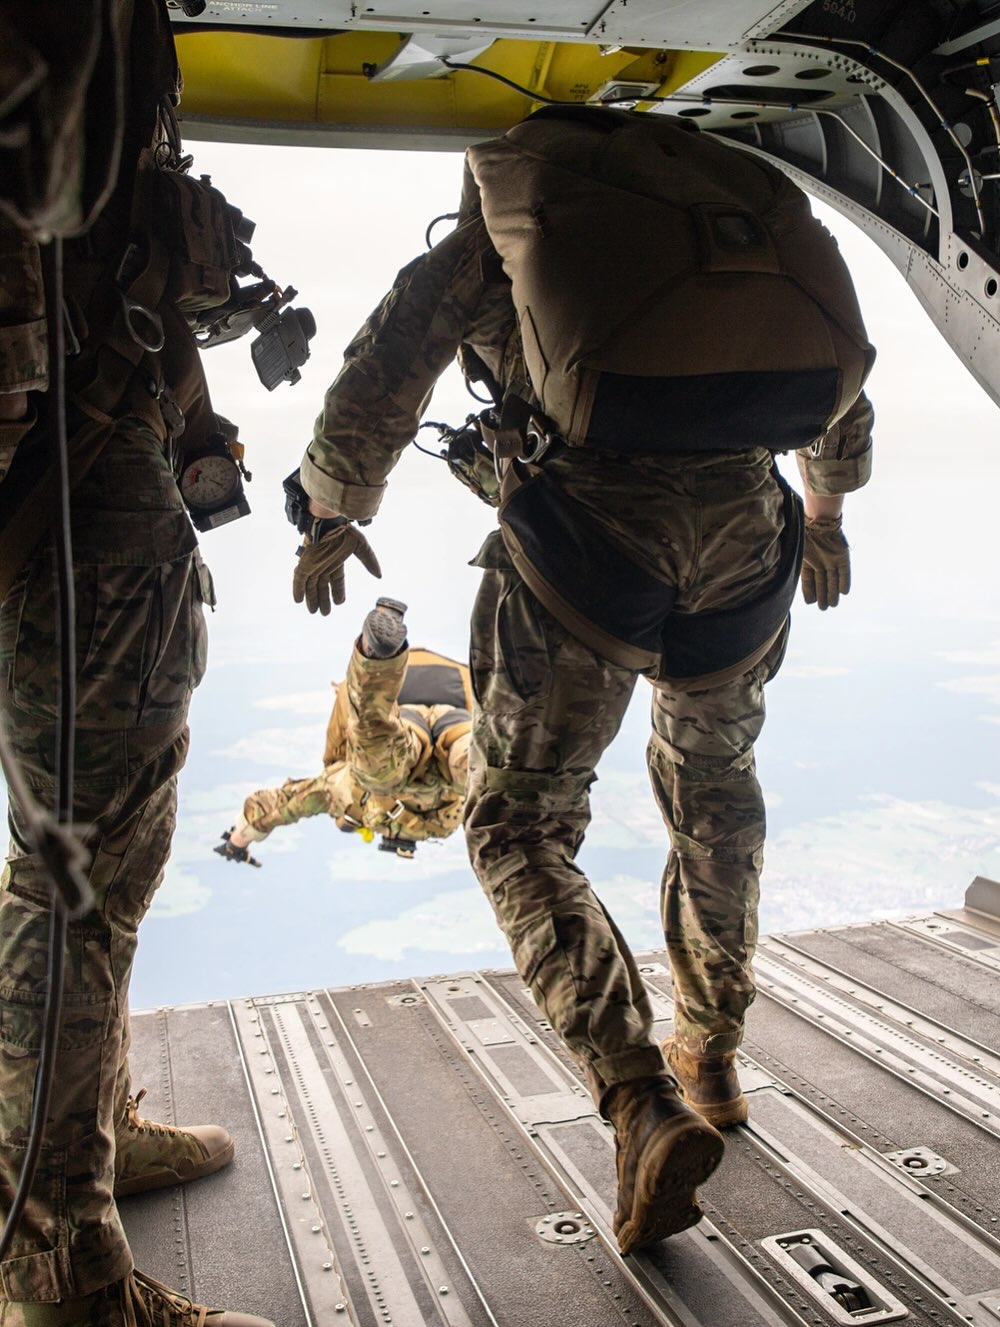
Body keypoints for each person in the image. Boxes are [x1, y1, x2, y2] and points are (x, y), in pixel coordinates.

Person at [286, 105, 874, 1254]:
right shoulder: (713, 200)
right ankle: (712, 1054)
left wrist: (330, 511)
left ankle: (636, 1099)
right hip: (751, 535)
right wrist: (830, 507)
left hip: (588, 542)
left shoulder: (513, 213)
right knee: (715, 787)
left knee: (517, 825)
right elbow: (817, 351)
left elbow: (394, 355)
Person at [0, 4, 274, 1326]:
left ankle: (87, 1134)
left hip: (107, 468)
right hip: (65, 489)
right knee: (75, 879)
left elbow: (101, 224)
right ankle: (60, 1265)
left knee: (108, 864)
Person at [216, 598, 472, 863]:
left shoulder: (350, 797)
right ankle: (375, 656)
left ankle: (378, 656)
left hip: (440, 717)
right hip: (451, 708)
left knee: (386, 764)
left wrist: (239, 840)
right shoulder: (346, 799)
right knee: (379, 749)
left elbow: (283, 803)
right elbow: (282, 804)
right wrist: (239, 838)